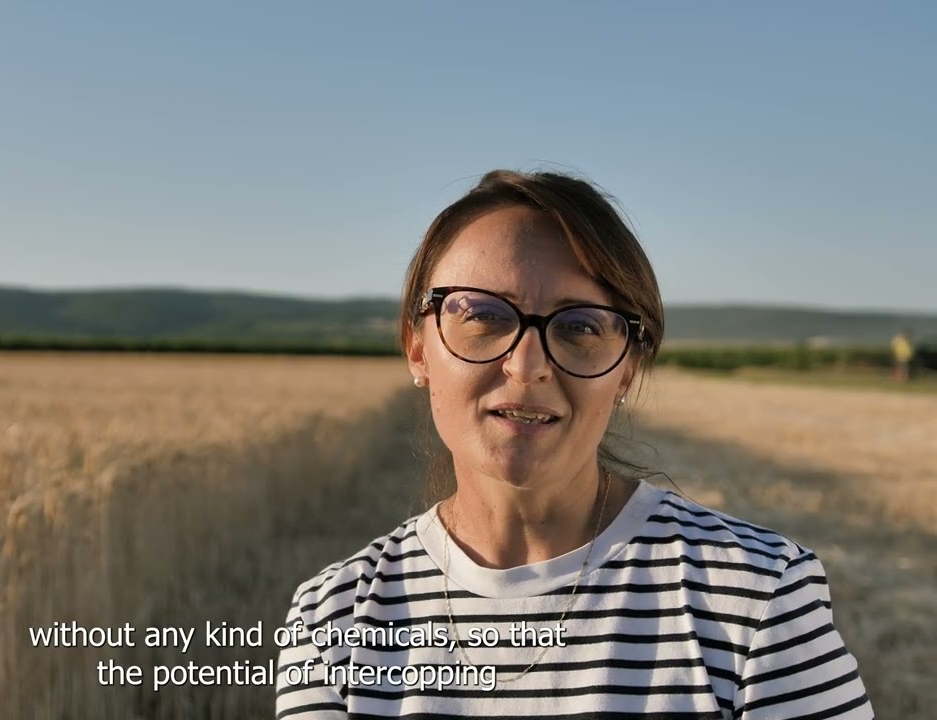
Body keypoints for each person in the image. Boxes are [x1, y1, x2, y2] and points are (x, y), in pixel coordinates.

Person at [275, 170, 873, 718]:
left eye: (580, 326)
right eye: (482, 315)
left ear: (627, 369)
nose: (527, 365)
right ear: (417, 347)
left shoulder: (758, 600)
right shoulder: (333, 618)